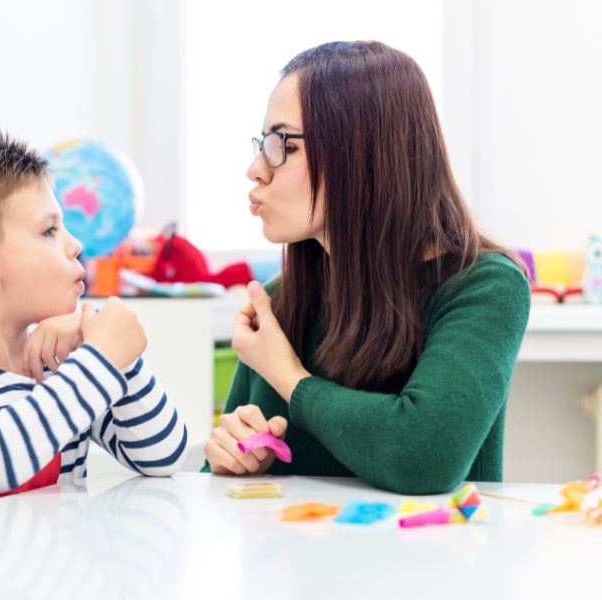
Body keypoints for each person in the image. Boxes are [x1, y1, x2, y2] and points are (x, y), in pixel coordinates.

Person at [203, 41, 531, 494]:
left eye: (282, 145)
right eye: (263, 144)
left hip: (440, 563)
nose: (256, 169)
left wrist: (286, 374)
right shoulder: (279, 299)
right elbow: (218, 486)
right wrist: (229, 460)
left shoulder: (484, 287)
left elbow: (422, 457)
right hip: (299, 560)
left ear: (362, 152)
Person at [0, 132, 187, 520]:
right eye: (50, 231)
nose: (76, 243)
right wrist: (102, 358)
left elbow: (163, 456)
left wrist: (121, 362)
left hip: (45, 579)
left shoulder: (63, 368)